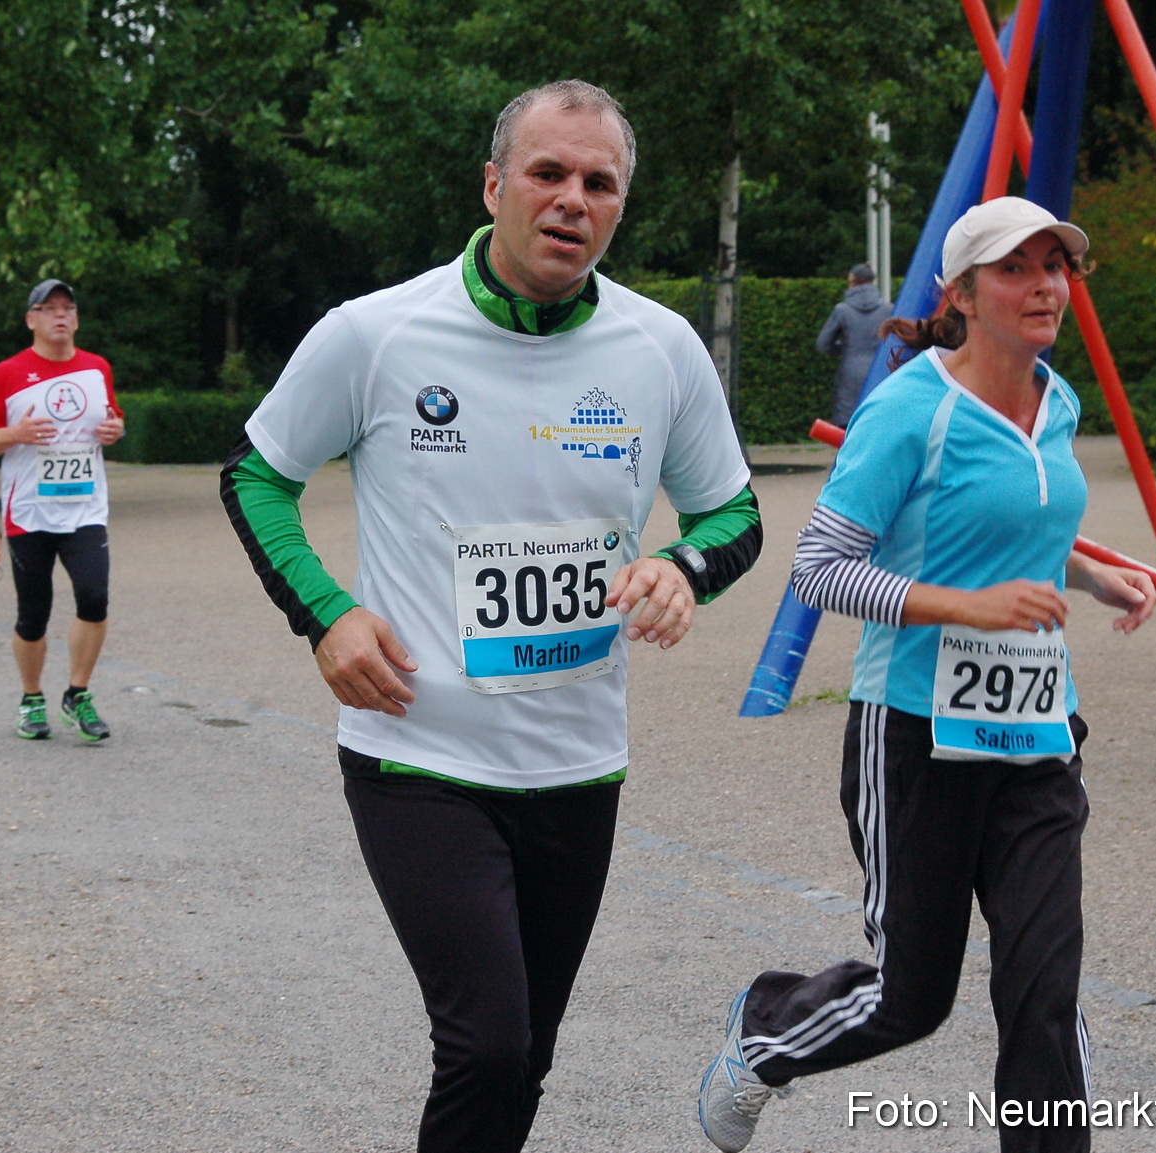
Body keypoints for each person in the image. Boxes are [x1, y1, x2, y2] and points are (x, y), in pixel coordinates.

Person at [222, 79, 761, 1152]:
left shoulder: (661, 348)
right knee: (485, 1045)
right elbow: (256, 476)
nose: (572, 200)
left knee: (528, 1055)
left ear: (619, 205)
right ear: (493, 185)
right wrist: (327, 613)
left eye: (599, 183)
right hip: (419, 753)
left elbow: (733, 511)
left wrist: (682, 567)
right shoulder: (376, 333)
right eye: (547, 173)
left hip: (579, 763)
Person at [696, 197, 1156, 1153]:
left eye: (1055, 267)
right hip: (915, 735)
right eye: (1016, 269)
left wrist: (1089, 571)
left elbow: (1017, 522)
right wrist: (965, 606)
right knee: (912, 997)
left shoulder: (1058, 400)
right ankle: (768, 1032)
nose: (1045, 286)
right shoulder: (910, 411)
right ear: (963, 294)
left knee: (1044, 990)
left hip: (1039, 734)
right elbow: (820, 568)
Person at [0, 279, 124, 742]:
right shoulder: (7, 373)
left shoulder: (97, 367)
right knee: (33, 612)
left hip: (85, 508)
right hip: (29, 511)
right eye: (49, 307)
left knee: (94, 598)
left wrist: (115, 430)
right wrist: (15, 434)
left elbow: (113, 418)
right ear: (31, 319)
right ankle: (31, 698)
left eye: (68, 308)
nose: (60, 315)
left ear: (76, 319)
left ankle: (77, 693)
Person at [815, 263, 892, 427]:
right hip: (880, 372)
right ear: (873, 282)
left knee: (847, 426)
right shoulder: (888, 310)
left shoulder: (842, 310)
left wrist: (845, 348)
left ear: (852, 281)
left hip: (849, 375)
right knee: (878, 422)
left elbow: (823, 344)